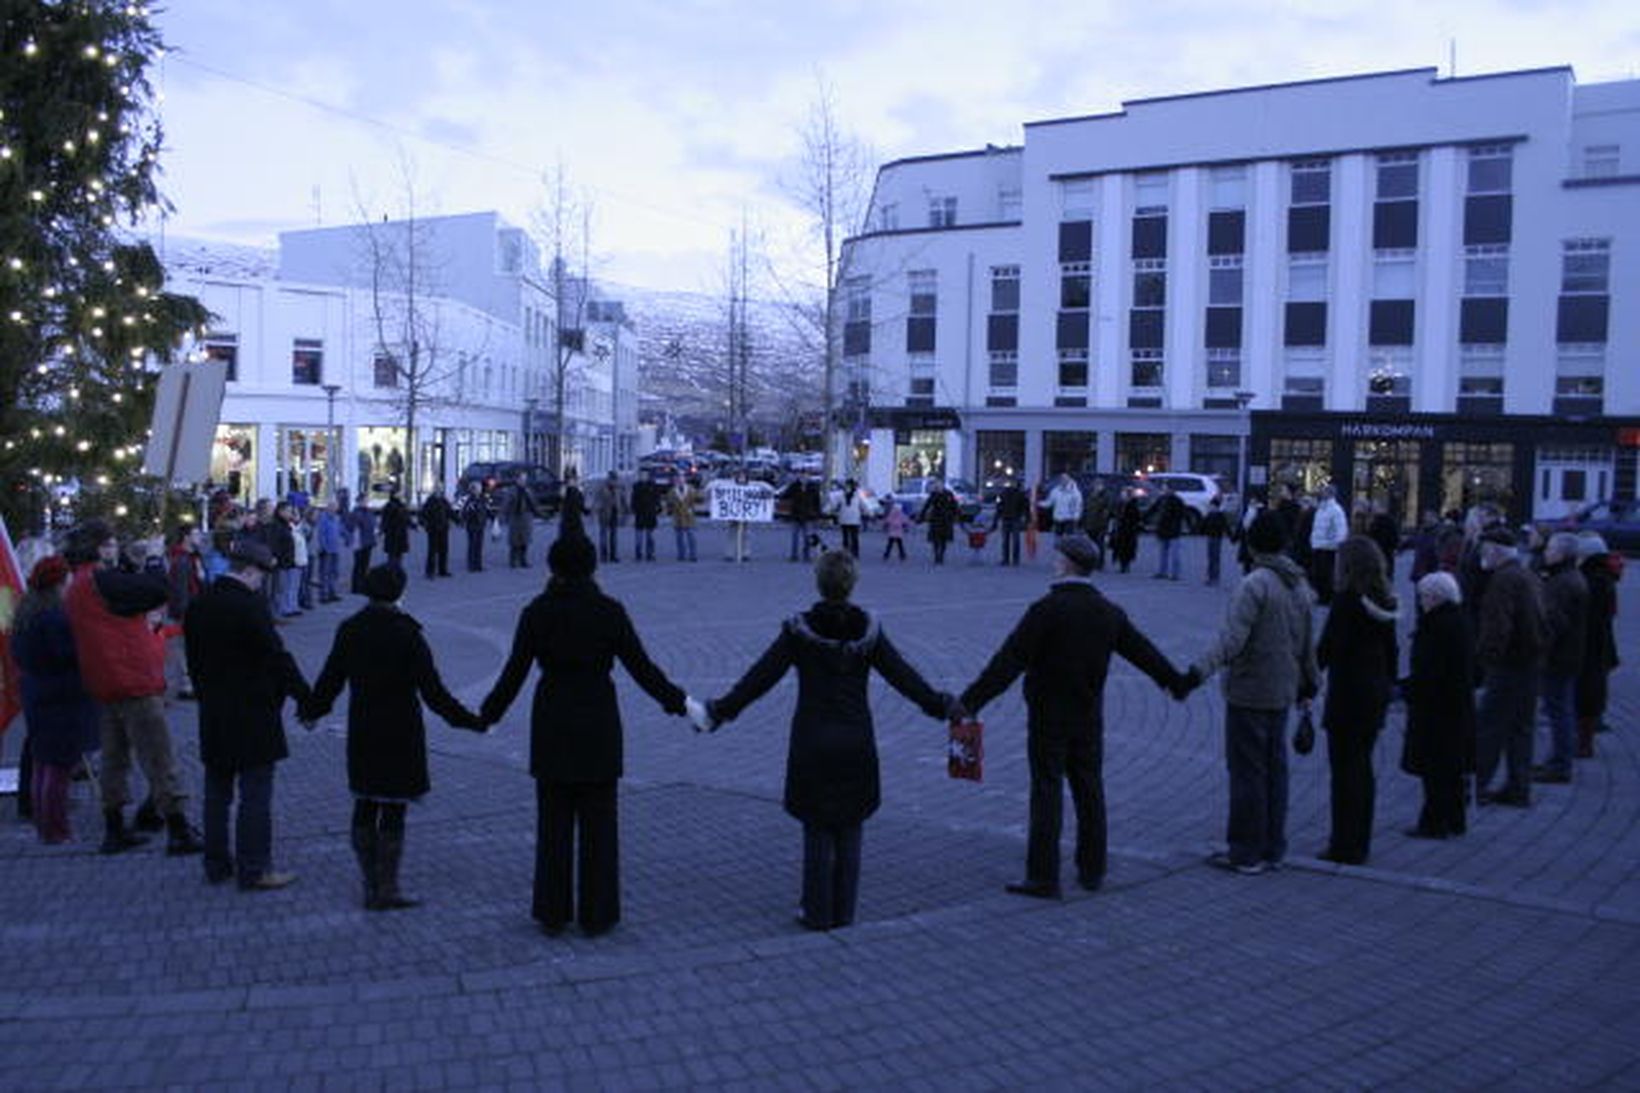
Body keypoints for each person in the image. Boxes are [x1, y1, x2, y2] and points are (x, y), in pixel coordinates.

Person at [702, 551, 957, 930]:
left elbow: (761, 677)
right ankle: (844, 912)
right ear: (852, 583)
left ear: (818, 582)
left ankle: (817, 911)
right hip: (857, 738)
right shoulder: (868, 629)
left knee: (817, 825)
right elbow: (904, 676)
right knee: (851, 825)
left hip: (812, 738)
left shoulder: (798, 630)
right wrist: (942, 706)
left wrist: (720, 711)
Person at [479, 534, 689, 937]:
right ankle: (598, 912)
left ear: (552, 568)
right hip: (598, 720)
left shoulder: (537, 612)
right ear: (593, 567)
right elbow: (642, 669)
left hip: (553, 718)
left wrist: (488, 715)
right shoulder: (609, 611)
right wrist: (680, 703)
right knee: (600, 825)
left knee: (553, 824)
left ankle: (552, 911)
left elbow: (514, 673)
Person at [959, 534, 1185, 898]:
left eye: (1057, 557)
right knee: (1089, 787)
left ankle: (1043, 875)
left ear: (1066, 563)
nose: (1053, 561)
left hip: (1049, 713)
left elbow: (1008, 661)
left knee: (1047, 788)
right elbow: (1145, 653)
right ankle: (1092, 868)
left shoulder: (1047, 610)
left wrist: (969, 703)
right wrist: (1176, 682)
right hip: (1088, 711)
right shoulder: (1108, 612)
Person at [302, 565, 485, 910]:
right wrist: (470, 722)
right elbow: (434, 693)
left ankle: (370, 882)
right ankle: (387, 887)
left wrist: (313, 710)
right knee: (394, 805)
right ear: (399, 592)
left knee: (365, 802)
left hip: (364, 725)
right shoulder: (407, 633)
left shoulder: (350, 629)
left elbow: (331, 678)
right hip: (400, 727)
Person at [1179, 511, 1319, 874]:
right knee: (1276, 770)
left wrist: (1196, 673)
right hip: (1283, 688)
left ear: (1252, 544)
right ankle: (1273, 846)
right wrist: (1309, 684)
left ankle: (1245, 850)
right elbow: (1307, 644)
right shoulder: (1298, 584)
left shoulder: (1255, 584)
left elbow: (1232, 641)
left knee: (1247, 774)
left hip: (1250, 689)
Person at [63, 520, 203, 857]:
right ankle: (178, 828)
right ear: (99, 547)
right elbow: (156, 591)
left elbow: (125, 593)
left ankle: (115, 827)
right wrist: (155, 559)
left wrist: (136, 565)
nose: (114, 549)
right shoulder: (100, 580)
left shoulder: (77, 585)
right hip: (133, 680)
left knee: (114, 758)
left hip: (105, 681)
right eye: (110, 544)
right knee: (159, 756)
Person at [184, 540, 312, 890]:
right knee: (255, 794)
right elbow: (276, 656)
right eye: (261, 576)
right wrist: (305, 697)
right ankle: (254, 868)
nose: (262, 583)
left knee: (216, 792)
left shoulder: (201, 603)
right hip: (253, 712)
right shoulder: (249, 606)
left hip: (213, 711)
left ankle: (216, 864)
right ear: (251, 570)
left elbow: (193, 661)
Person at [1315, 537, 1400, 865]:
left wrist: (1306, 682)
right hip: (1374, 692)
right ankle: (1360, 839)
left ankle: (1344, 843)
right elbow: (1392, 651)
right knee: (1362, 767)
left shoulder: (1347, 600)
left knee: (1344, 771)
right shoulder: (1384, 599)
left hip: (1348, 693)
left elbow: (1328, 647)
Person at [10, 556, 101, 844]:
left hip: (37, 693)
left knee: (43, 763)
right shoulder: (55, 619)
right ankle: (55, 830)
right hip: (60, 697)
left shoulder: (26, 614)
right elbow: (70, 656)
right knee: (58, 768)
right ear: (58, 583)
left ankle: (44, 823)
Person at [1472, 526, 1545, 808]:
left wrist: (1487, 658)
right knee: (1520, 728)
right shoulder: (1526, 575)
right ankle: (1518, 787)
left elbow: (1498, 625)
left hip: (1509, 664)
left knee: (1491, 726)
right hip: (1529, 661)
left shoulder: (1502, 580)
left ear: (1494, 551)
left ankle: (1477, 784)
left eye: (1484, 550)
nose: (1482, 555)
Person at [1401, 572, 1476, 840]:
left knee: (1435, 770)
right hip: (1456, 706)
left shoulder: (1435, 626)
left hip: (1436, 709)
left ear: (1435, 597)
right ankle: (1456, 819)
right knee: (1452, 767)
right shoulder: (1460, 620)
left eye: (1423, 596)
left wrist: (1406, 690)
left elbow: (1429, 671)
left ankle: (1433, 823)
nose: (1421, 601)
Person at [1531, 532, 1588, 785]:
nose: (1546, 552)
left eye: (1551, 548)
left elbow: (1553, 623)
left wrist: (1540, 649)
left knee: (1559, 710)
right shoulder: (1568, 578)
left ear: (1563, 553)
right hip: (1568, 654)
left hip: (1559, 657)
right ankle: (1558, 759)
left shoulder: (1562, 583)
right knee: (1561, 707)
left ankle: (1560, 764)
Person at [1575, 533, 1619, 759]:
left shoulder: (1594, 580)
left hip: (1590, 644)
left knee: (1587, 692)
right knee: (1592, 691)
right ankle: (1585, 738)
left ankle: (1584, 742)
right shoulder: (1605, 578)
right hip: (1600, 643)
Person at [164, 525, 205, 700]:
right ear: (186, 537)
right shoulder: (181, 559)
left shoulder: (191, 557)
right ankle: (186, 685)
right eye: (196, 533)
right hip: (185, 610)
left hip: (191, 606)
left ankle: (188, 683)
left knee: (186, 647)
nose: (200, 536)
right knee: (182, 648)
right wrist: (183, 613)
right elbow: (180, 590)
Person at [1308, 486, 1348, 606]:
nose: (1321, 493)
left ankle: (1327, 597)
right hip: (1319, 545)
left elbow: (1341, 528)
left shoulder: (1335, 509)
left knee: (1326, 573)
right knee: (1319, 573)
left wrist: (1339, 542)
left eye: (1324, 492)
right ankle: (1322, 596)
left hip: (1328, 546)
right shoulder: (1321, 509)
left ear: (1331, 494)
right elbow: (1316, 527)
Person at [504, 476, 543, 568]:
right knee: (514, 540)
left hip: (526, 516)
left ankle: (523, 560)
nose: (522, 482)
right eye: (520, 480)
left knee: (525, 540)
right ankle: (513, 560)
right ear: (516, 480)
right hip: (515, 516)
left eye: (524, 480)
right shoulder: (512, 491)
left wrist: (540, 514)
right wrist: (503, 515)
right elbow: (506, 503)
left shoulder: (528, 491)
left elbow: (533, 503)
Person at [1150, 482, 1186, 581]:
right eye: (1164, 489)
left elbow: (1181, 515)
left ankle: (1175, 574)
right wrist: (1143, 519)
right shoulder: (1161, 499)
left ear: (1172, 490)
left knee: (1174, 554)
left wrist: (1178, 526)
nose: (1165, 491)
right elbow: (1152, 510)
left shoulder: (1178, 501)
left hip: (1173, 531)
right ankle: (1162, 572)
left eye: (1167, 489)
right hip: (1162, 529)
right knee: (1162, 553)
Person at [921, 479, 960, 566]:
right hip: (936, 519)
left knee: (943, 540)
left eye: (939, 486)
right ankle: (937, 556)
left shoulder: (948, 494)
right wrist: (922, 515)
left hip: (945, 519)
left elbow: (954, 505)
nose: (937, 487)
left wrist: (956, 515)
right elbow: (927, 505)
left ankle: (941, 555)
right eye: (936, 486)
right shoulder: (934, 495)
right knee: (936, 539)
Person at [592, 470, 627, 564]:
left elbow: (623, 501)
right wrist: (597, 510)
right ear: (609, 478)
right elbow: (597, 500)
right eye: (612, 479)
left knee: (613, 536)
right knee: (603, 535)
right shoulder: (602, 488)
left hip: (615, 514)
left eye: (615, 479)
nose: (614, 481)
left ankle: (613, 555)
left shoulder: (619, 488)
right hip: (604, 514)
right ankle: (603, 555)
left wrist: (624, 512)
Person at [419, 484, 453, 578]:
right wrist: (423, 523)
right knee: (432, 551)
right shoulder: (430, 501)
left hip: (443, 528)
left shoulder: (444, 500)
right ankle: (430, 571)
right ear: (434, 491)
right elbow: (423, 514)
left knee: (444, 550)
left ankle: (443, 570)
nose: (439, 492)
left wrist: (457, 519)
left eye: (440, 490)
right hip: (433, 529)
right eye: (437, 490)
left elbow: (450, 512)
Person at [346, 497, 378, 595]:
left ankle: (363, 585)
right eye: (364, 501)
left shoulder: (369, 511)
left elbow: (373, 523)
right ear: (358, 502)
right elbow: (351, 526)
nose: (365, 503)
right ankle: (356, 586)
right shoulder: (355, 513)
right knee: (358, 565)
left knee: (365, 565)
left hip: (368, 541)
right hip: (359, 542)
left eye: (366, 501)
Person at [315, 499, 344, 602]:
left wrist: (346, 537)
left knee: (334, 572)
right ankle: (324, 595)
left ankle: (333, 592)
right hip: (326, 550)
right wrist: (323, 547)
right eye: (332, 506)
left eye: (336, 507)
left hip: (336, 549)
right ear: (328, 507)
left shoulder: (337, 518)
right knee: (324, 573)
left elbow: (340, 531)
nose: (334, 509)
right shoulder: (323, 518)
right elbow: (321, 534)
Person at [994, 479, 1028, 566]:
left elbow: (998, 507)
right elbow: (1025, 507)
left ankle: (1008, 559)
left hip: (1010, 518)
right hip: (1013, 518)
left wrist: (996, 519)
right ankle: (1011, 559)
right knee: (1012, 540)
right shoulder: (1020, 494)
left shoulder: (1004, 493)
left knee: (1009, 540)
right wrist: (1026, 518)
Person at [667, 477, 701, 562]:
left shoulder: (691, 489)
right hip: (677, 517)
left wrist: (698, 495)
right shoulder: (672, 491)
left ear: (685, 481)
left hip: (688, 516)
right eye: (678, 481)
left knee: (691, 537)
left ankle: (693, 555)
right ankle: (681, 554)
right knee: (679, 537)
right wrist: (671, 509)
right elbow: (669, 503)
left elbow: (699, 499)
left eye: (682, 480)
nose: (680, 482)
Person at [459, 481, 489, 573]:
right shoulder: (470, 500)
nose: (479, 490)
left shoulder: (482, 499)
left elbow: (485, 510)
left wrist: (489, 517)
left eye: (479, 488)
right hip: (472, 525)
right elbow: (464, 513)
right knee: (472, 545)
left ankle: (478, 564)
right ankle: (471, 565)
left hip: (480, 525)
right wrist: (465, 519)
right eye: (477, 489)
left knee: (479, 545)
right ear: (473, 490)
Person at [1111, 488, 1143, 574]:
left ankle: (1125, 565)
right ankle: (1123, 565)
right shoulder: (1121, 504)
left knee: (1126, 548)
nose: (1122, 495)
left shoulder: (1132, 505)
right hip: (1122, 529)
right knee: (1121, 547)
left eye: (1124, 493)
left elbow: (1136, 518)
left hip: (1128, 530)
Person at [630, 474, 661, 562]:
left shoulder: (653, 487)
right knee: (639, 537)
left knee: (650, 537)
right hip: (640, 514)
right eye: (642, 475)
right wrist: (634, 510)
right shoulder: (636, 487)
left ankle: (650, 554)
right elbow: (633, 500)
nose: (643, 477)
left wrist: (658, 508)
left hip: (650, 515)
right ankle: (638, 553)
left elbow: (657, 499)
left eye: (645, 475)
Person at [1200, 495, 1230, 587]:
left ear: (1215, 506)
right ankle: (1210, 576)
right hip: (1211, 537)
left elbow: (1225, 526)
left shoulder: (1219, 515)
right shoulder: (1210, 515)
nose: (1211, 507)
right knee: (1211, 557)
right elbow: (1203, 525)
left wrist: (1231, 535)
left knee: (1215, 558)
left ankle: (1215, 577)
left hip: (1216, 537)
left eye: (1212, 505)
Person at [1367, 501, 1400, 581]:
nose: (1373, 509)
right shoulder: (1391, 521)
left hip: (1377, 554)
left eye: (1375, 507)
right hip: (1387, 555)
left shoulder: (1374, 522)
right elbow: (1395, 539)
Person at [833, 479, 866, 559]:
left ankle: (855, 553)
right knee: (845, 538)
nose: (847, 487)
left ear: (852, 486)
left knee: (854, 537)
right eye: (846, 485)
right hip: (844, 519)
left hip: (854, 520)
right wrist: (828, 510)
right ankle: (845, 553)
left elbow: (863, 505)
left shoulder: (857, 495)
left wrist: (869, 512)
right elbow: (835, 505)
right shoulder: (841, 495)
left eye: (849, 485)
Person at [1045, 472, 1083, 537]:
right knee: (1058, 538)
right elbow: (1049, 502)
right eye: (1061, 479)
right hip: (1058, 519)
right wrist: (1038, 503)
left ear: (1069, 480)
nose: (1063, 480)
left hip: (1069, 519)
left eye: (1065, 479)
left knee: (1069, 539)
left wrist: (1076, 517)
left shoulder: (1075, 492)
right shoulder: (1055, 491)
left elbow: (1078, 505)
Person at [558, 468, 589, 542]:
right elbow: (560, 504)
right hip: (569, 520)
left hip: (574, 520)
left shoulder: (576, 492)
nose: (571, 482)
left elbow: (581, 505)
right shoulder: (566, 492)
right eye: (569, 480)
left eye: (572, 480)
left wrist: (586, 510)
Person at [881, 495, 910, 561]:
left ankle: (886, 555)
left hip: (891, 533)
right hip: (899, 533)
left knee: (889, 545)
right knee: (900, 545)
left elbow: (887, 521)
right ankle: (902, 555)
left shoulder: (891, 514)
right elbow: (905, 522)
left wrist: (885, 526)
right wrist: (906, 528)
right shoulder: (902, 515)